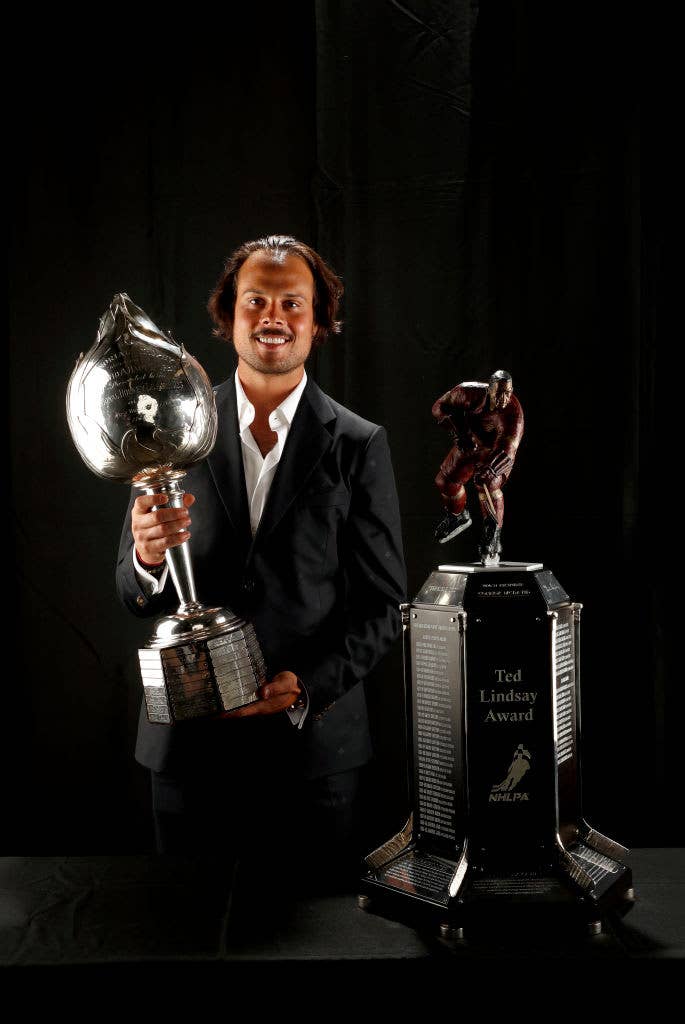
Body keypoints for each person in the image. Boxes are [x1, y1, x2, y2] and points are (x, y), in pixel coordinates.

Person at [116, 235, 406, 886]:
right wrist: (143, 554)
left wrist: (307, 684)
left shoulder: (358, 444)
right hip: (187, 752)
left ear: (319, 320)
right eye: (255, 300)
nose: (272, 315)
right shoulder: (166, 430)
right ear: (228, 313)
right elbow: (132, 593)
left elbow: (384, 607)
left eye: (291, 302)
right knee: (189, 935)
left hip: (312, 757)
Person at [432, 370, 524, 562]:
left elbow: (508, 451)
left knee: (487, 482)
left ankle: (493, 533)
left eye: (507, 393)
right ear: (489, 389)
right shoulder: (468, 392)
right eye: (499, 393)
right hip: (471, 443)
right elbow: (439, 406)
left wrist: (491, 469)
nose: (503, 398)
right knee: (445, 481)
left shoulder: (514, 412)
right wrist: (458, 432)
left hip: (496, 452)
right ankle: (457, 516)